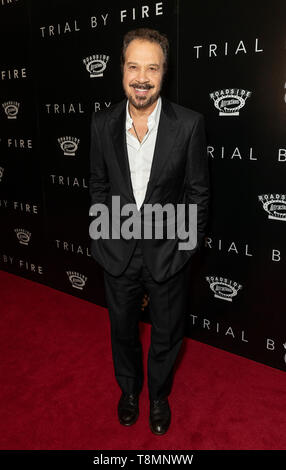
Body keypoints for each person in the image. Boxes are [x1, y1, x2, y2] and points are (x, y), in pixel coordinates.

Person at [88, 27, 209, 435]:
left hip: (168, 251)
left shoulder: (189, 125)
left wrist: (184, 252)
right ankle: (128, 390)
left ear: (164, 73)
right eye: (134, 66)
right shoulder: (102, 123)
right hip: (117, 250)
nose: (142, 77)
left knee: (166, 335)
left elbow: (197, 194)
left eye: (152, 68)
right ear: (121, 69)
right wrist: (101, 242)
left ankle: (158, 395)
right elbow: (98, 186)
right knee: (121, 331)